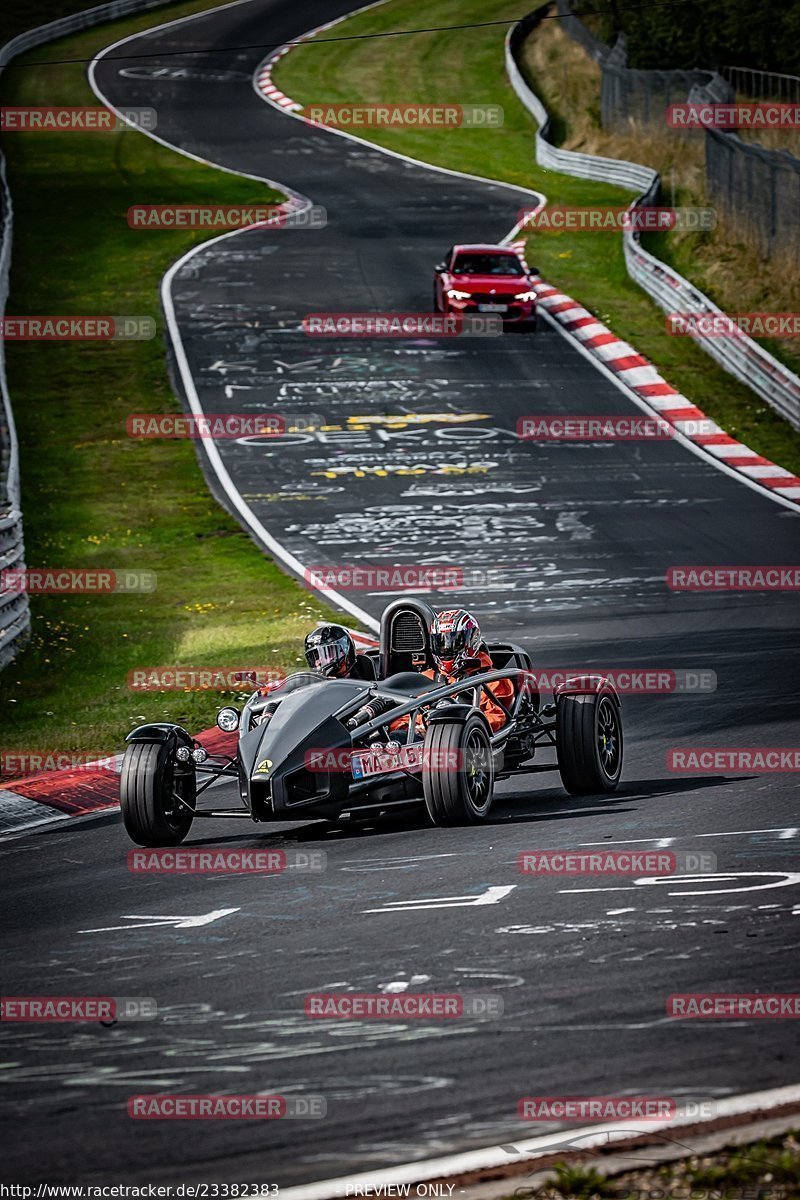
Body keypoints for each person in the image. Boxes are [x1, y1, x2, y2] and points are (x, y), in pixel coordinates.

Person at [427, 609, 513, 732]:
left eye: (455, 643)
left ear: (472, 640)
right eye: (440, 643)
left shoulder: (494, 681)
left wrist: (456, 727)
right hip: (423, 740)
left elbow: (496, 718)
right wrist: (423, 725)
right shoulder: (426, 678)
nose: (446, 649)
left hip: (466, 741)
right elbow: (403, 718)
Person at [303, 625, 376, 680]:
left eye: (326, 654)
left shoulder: (363, 686)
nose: (319, 661)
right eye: (316, 657)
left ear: (344, 651)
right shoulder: (312, 688)